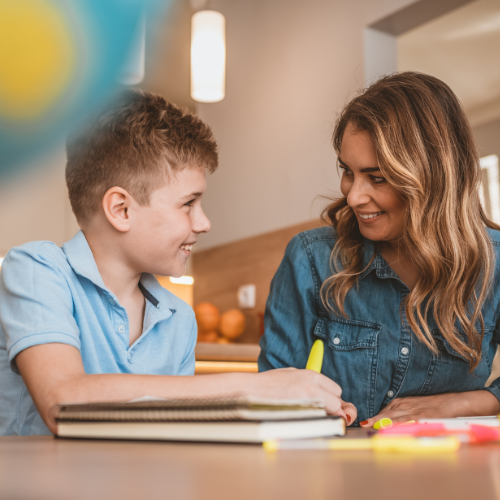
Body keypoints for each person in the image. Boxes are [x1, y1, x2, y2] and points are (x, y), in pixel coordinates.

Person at [0, 89, 346, 436]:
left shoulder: (178, 318)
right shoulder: (36, 270)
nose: (204, 223)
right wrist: (251, 386)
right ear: (121, 210)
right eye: (188, 204)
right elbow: (62, 402)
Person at [258, 72, 500, 427]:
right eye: (348, 171)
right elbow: (271, 394)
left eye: (378, 177)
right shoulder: (310, 259)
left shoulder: (493, 264)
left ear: (432, 177)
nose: (353, 196)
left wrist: (462, 403)